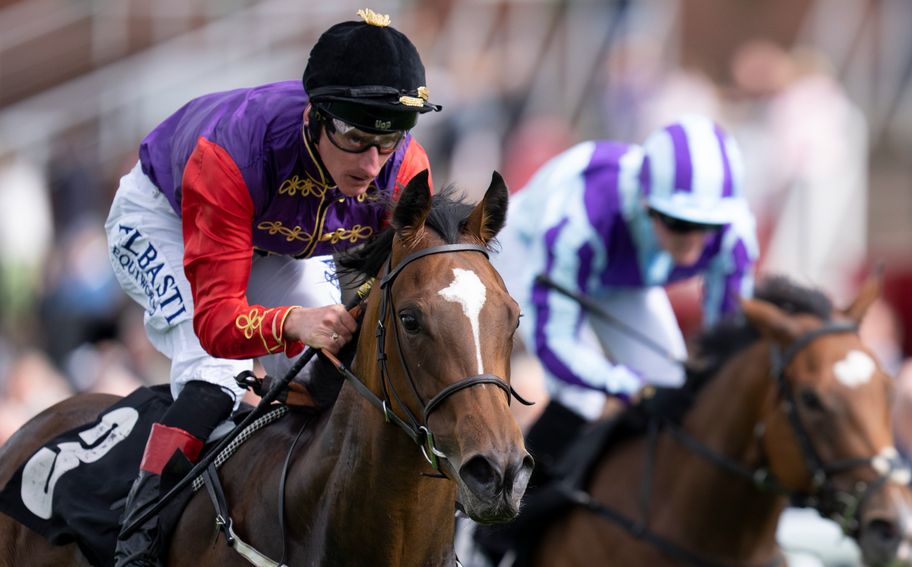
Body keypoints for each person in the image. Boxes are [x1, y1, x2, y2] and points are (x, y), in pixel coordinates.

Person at [104, 9, 440, 565]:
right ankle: (137, 538)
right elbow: (216, 324)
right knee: (215, 374)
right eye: (356, 140)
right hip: (164, 217)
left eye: (389, 141)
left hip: (277, 239)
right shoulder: (233, 155)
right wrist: (288, 323)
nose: (372, 165)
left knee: (325, 372)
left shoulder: (402, 169)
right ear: (317, 117)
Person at [493, 114, 758, 477]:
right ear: (647, 205)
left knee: (672, 385)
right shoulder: (582, 217)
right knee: (581, 397)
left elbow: (728, 347)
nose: (694, 242)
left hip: (617, 273)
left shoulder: (735, 233)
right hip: (527, 255)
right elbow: (556, 343)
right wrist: (630, 387)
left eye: (709, 227)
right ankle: (505, 516)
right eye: (680, 223)